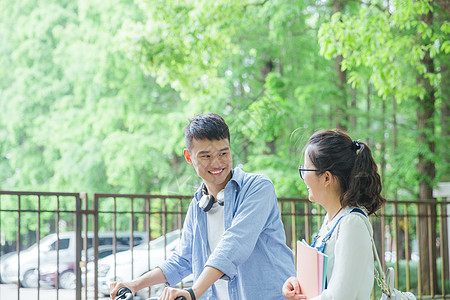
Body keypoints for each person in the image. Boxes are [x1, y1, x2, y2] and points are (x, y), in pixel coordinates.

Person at [110, 113, 295, 300]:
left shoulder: (258, 188)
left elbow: (234, 244)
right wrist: (135, 284)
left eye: (223, 153)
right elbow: (182, 259)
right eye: (206, 156)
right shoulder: (198, 205)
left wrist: (192, 292)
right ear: (189, 157)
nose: (216, 163)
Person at [283, 130, 386, 300]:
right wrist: (296, 285)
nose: (303, 177)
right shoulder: (333, 220)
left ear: (326, 178)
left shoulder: (352, 224)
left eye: (305, 169)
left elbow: (340, 296)